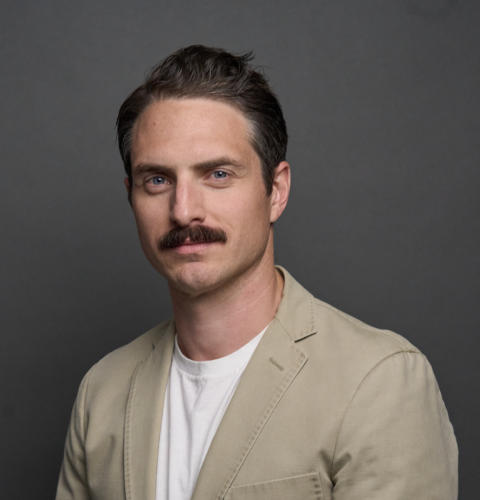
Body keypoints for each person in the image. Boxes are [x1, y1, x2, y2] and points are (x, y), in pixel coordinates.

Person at [56, 45, 458, 500]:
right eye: (158, 180)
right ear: (131, 196)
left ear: (276, 191)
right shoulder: (102, 392)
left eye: (218, 174)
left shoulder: (378, 382)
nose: (183, 210)